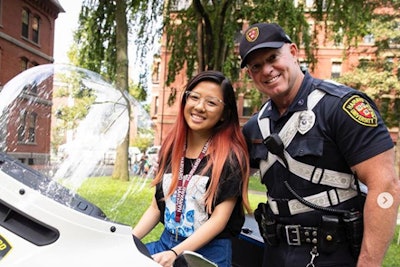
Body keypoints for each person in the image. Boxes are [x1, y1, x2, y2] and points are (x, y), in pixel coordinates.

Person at [239, 22, 400, 267]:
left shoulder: (341, 107)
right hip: (275, 255)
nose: (267, 70)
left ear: (293, 52)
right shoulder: (254, 127)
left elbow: (386, 186)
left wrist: (369, 263)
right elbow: (227, 177)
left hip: (334, 255)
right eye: (256, 66)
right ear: (250, 74)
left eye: (273, 58)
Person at [132, 70, 251, 267]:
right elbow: (156, 206)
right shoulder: (171, 148)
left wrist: (175, 253)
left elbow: (218, 221)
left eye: (211, 102)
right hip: (167, 242)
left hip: (208, 254)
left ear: (224, 114)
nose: (199, 107)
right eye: (194, 97)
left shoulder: (231, 157)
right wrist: (131, 240)